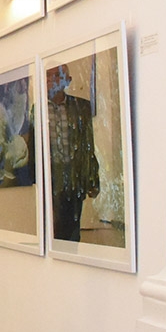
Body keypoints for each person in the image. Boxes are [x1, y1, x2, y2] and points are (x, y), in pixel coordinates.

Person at [46, 64, 100, 242]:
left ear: (67, 81)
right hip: (50, 176)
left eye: (58, 76)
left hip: (73, 176)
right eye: (49, 76)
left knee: (71, 229)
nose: (52, 80)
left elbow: (87, 145)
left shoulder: (81, 107)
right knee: (50, 229)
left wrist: (92, 177)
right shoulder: (36, 110)